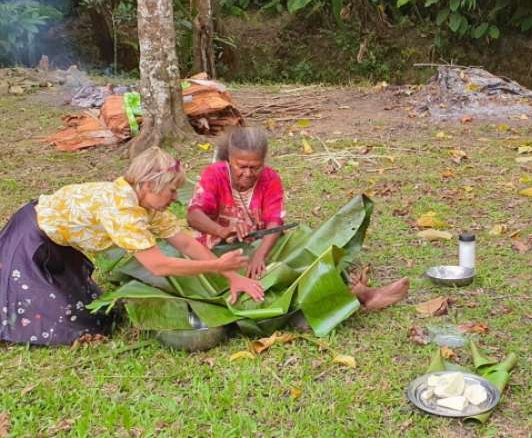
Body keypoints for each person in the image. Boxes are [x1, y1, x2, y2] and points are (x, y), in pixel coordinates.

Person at [0, 147, 263, 346]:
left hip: (60, 242)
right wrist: (217, 264)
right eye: (171, 191)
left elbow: (184, 242)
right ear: (148, 185)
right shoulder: (122, 210)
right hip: (31, 237)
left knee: (96, 316)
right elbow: (159, 266)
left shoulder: (147, 202)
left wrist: (231, 277)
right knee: (48, 323)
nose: (175, 198)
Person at [187, 127, 410, 309]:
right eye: (241, 166)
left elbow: (275, 222)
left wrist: (260, 255)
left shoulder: (270, 178)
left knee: (309, 243)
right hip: (219, 253)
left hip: (258, 247)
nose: (247, 173)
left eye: (255, 167)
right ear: (230, 160)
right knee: (278, 274)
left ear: (263, 162)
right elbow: (193, 215)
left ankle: (364, 294)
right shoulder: (214, 174)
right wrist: (222, 231)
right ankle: (349, 296)